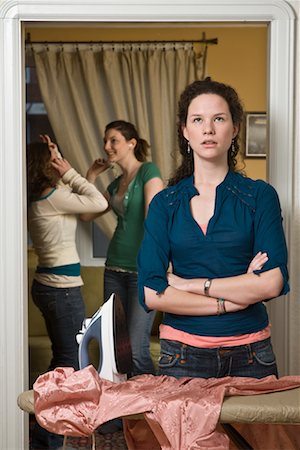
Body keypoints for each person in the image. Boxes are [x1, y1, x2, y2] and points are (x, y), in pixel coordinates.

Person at [137, 78, 289, 380]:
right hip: (180, 354)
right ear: (185, 131)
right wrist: (234, 296)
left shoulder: (260, 196)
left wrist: (192, 284)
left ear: (234, 130)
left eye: (218, 119)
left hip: (252, 354)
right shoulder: (164, 204)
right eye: (198, 120)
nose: (208, 128)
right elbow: (153, 292)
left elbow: (271, 283)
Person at [27, 135, 108, 450]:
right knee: (69, 361)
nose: (58, 159)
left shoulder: (47, 197)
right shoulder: (54, 196)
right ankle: (45, 435)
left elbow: (87, 212)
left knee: (62, 358)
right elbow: (99, 203)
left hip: (49, 286)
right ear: (47, 165)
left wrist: (86, 177)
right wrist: (71, 171)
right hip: (60, 291)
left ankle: (40, 425)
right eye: (53, 156)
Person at [81, 120, 164, 377]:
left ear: (131, 143)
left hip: (142, 270)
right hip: (114, 269)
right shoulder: (115, 184)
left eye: (113, 140)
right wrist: (91, 176)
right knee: (117, 346)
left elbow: (155, 219)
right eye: (105, 141)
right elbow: (86, 215)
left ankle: (154, 411)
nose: (107, 146)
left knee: (137, 348)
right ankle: (127, 414)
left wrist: (155, 265)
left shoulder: (149, 172)